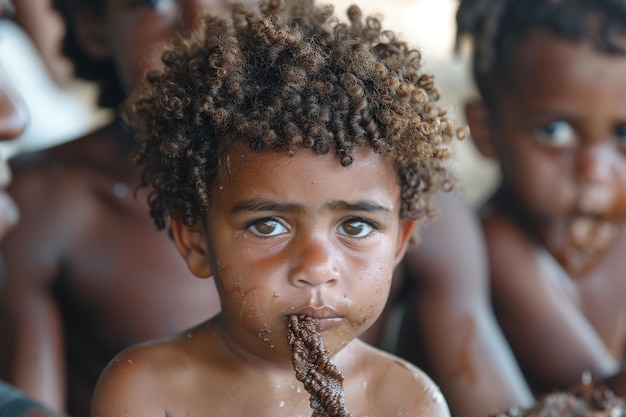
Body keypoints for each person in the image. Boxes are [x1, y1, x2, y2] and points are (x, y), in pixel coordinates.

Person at [91, 0, 459, 415]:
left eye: (355, 227)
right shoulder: (146, 390)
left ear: (398, 244)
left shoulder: (406, 401)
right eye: (267, 226)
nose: (317, 268)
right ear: (195, 240)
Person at [0, 1, 256, 415]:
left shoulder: (368, 182)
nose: (205, 25)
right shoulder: (45, 202)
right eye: (156, 3)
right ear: (94, 28)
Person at [456, 0, 626, 398]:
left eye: (624, 135)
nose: (595, 170)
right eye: (554, 132)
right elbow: (602, 401)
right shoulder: (494, 245)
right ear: (486, 129)